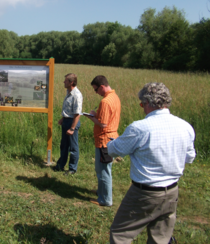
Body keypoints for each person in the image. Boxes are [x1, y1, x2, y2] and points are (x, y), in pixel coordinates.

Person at [107, 82, 196, 243]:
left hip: (144, 193)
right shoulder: (185, 126)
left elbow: (115, 150)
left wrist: (111, 143)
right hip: (172, 191)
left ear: (147, 103)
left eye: (141, 104)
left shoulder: (140, 128)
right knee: (161, 237)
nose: (142, 107)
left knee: (121, 233)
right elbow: (189, 157)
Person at [86, 75, 121, 207]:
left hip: (104, 141)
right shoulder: (114, 97)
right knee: (101, 169)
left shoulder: (105, 102)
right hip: (111, 139)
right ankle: (101, 192)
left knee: (103, 171)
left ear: (102, 87)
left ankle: (105, 200)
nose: (96, 93)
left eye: (96, 90)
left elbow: (103, 124)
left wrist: (90, 117)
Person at [53, 73, 82, 175]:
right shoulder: (68, 92)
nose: (64, 82)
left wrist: (72, 128)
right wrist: (63, 118)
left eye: (66, 81)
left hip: (72, 122)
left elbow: (77, 114)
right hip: (66, 120)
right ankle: (60, 165)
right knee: (64, 145)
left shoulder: (76, 95)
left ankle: (72, 169)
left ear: (71, 82)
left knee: (73, 147)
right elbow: (69, 109)